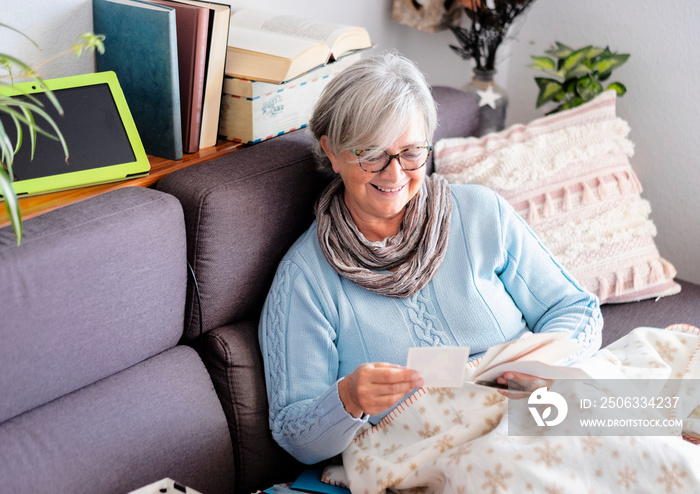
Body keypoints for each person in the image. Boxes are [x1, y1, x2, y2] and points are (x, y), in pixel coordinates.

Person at [258, 52, 603, 465]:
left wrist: (545, 363)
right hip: (439, 462)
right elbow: (294, 434)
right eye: (371, 154)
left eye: (410, 152)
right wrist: (347, 399)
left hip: (535, 417)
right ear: (332, 151)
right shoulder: (306, 279)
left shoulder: (481, 214)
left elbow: (577, 309)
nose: (394, 174)